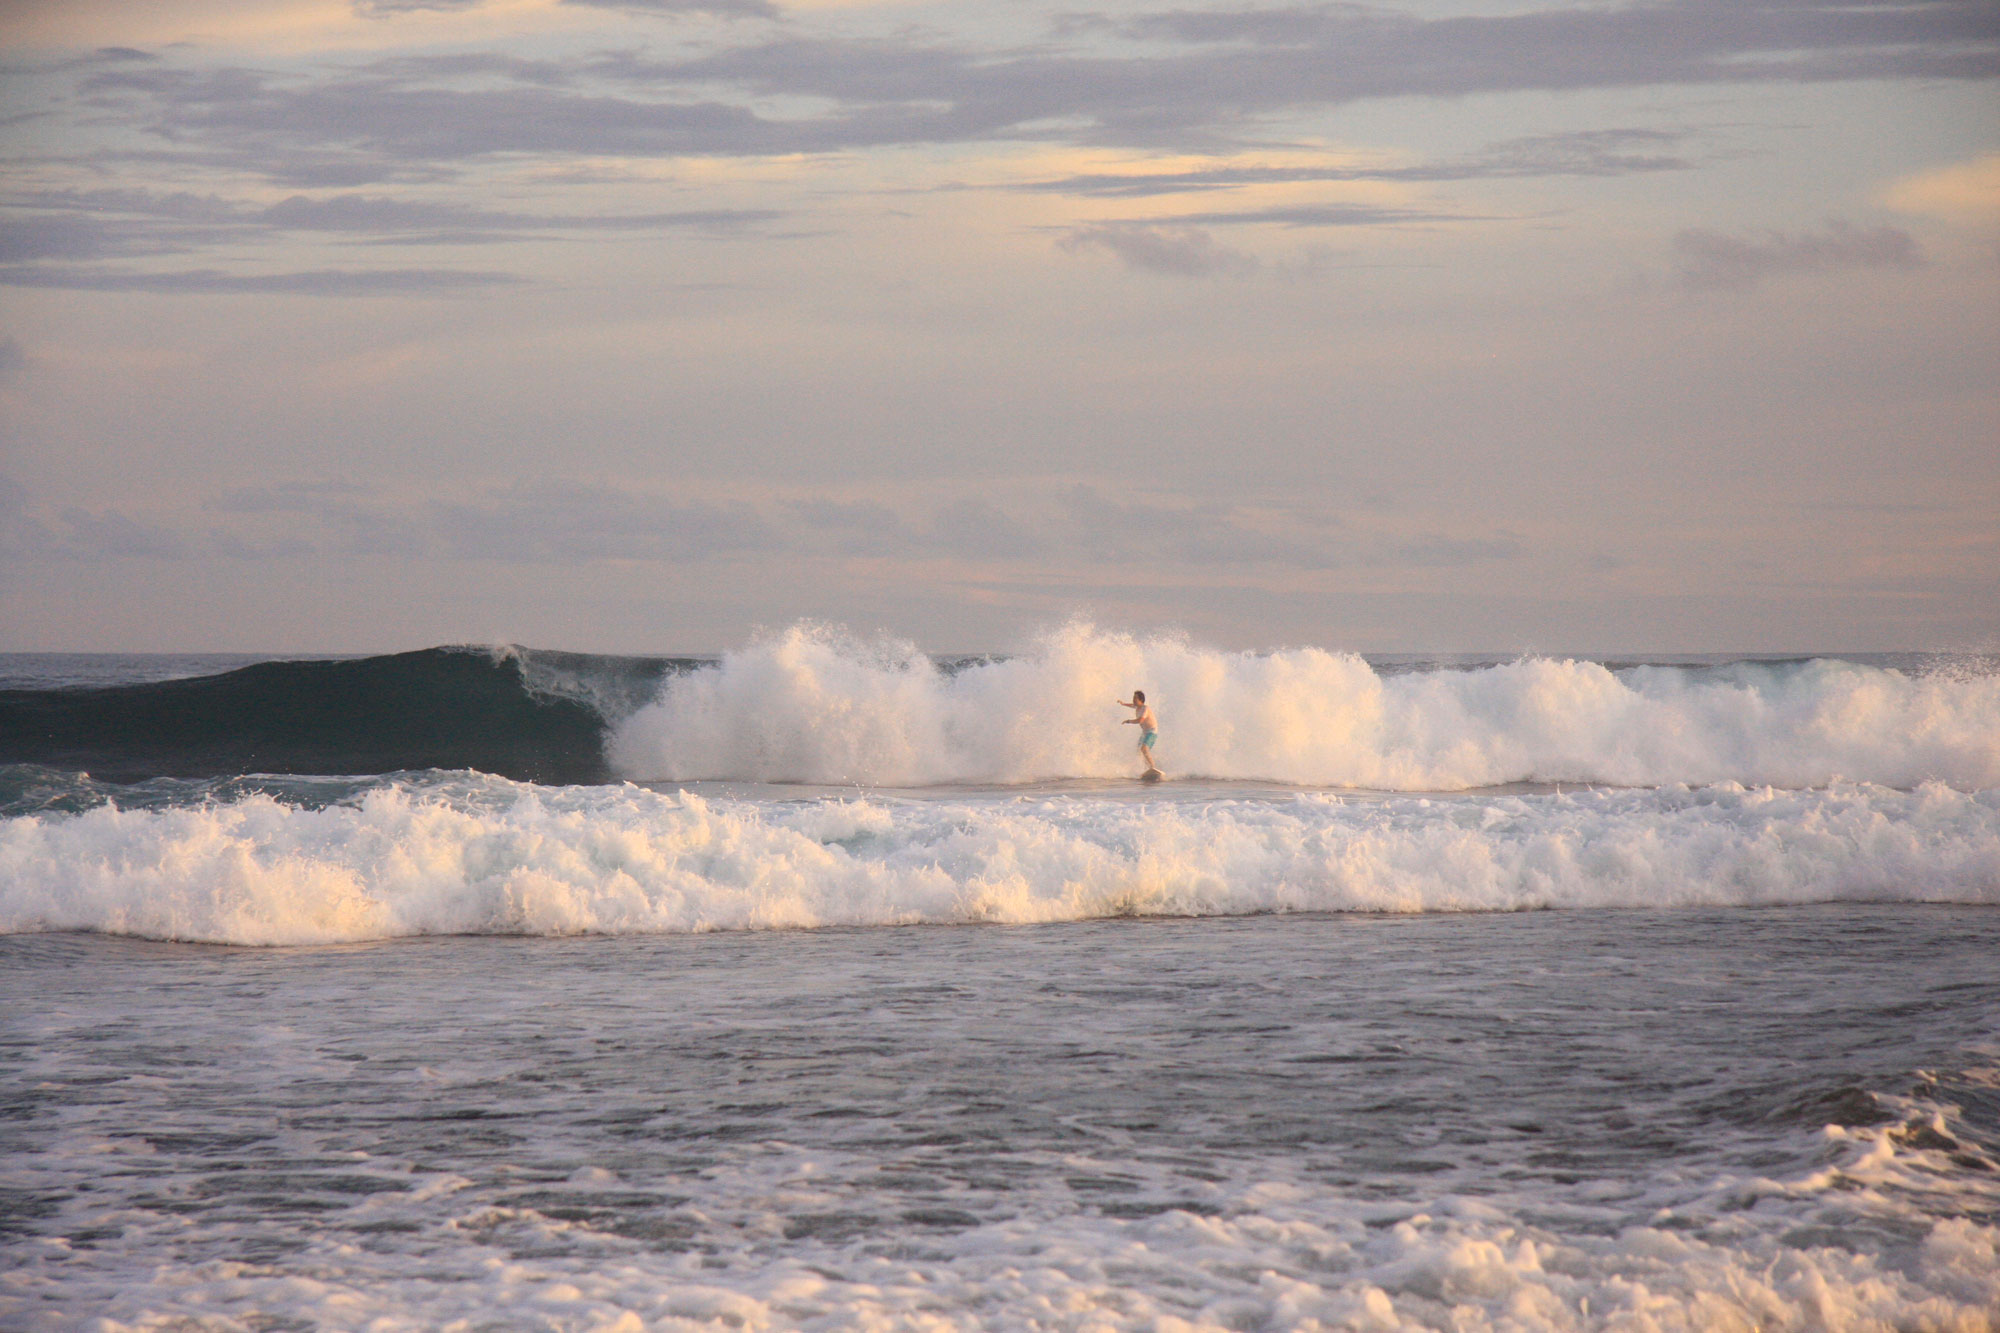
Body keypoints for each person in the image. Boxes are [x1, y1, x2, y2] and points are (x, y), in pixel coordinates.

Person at [1117, 690, 1159, 771]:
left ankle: (1153, 767)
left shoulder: (1145, 708)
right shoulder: (1137, 707)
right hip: (1145, 732)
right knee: (1139, 752)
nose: (1133, 699)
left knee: (1144, 749)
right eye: (1133, 698)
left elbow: (1140, 720)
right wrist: (1123, 704)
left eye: (1135, 698)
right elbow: (1131, 705)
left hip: (1152, 732)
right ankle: (1147, 768)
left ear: (1141, 700)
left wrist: (1128, 721)